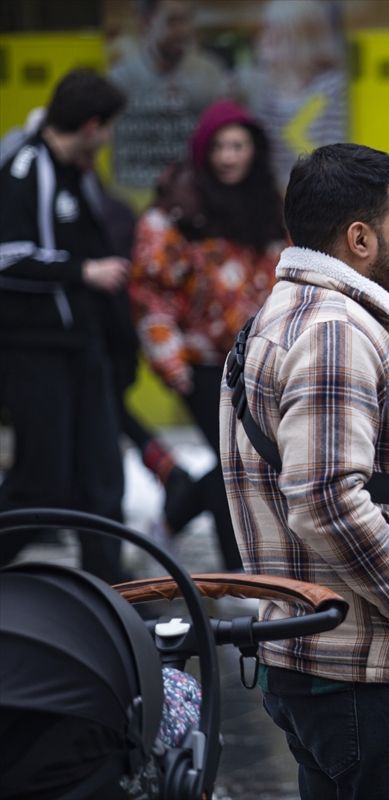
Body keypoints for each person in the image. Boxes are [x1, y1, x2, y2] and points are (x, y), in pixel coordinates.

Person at [219, 142, 389, 799]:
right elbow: (325, 497)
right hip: (365, 671)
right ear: (359, 238)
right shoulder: (334, 331)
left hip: (329, 664)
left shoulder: (287, 315)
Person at [130, 100, 285, 570]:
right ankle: (237, 571)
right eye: (219, 146)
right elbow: (149, 291)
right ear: (202, 150)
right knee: (235, 458)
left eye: (238, 146)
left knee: (246, 458)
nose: (228, 157)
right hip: (199, 361)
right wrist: (168, 357)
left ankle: (171, 523)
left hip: (257, 358)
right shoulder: (177, 210)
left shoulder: (268, 203)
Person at [0, 69, 131, 582]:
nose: (107, 139)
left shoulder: (79, 171)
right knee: (42, 480)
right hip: (34, 350)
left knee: (102, 480)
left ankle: (117, 598)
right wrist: (83, 271)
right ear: (93, 125)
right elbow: (7, 258)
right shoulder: (25, 167)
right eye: (108, 128)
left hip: (83, 347)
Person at [108, 0, 232, 193]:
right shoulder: (120, 79)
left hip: (199, 197)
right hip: (135, 194)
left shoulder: (210, 74)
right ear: (146, 23)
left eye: (187, 20)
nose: (183, 30)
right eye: (172, 21)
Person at [242, 0, 348, 189]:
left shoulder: (333, 88)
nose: (263, 38)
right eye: (264, 29)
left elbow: (336, 158)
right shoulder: (266, 91)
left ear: (300, 36)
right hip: (279, 202)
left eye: (274, 30)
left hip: (321, 198)